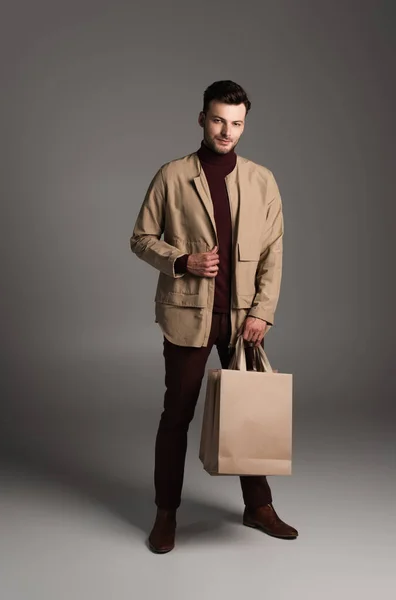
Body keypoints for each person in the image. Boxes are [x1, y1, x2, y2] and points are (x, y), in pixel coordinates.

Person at [130, 80, 298, 553]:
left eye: (237, 123)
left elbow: (274, 252)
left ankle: (258, 506)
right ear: (202, 118)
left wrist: (263, 312)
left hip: (243, 319)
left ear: (245, 124)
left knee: (249, 411)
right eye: (219, 120)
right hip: (188, 315)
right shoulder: (171, 176)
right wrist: (183, 261)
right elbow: (141, 238)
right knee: (176, 416)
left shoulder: (262, 180)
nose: (227, 131)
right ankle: (166, 513)